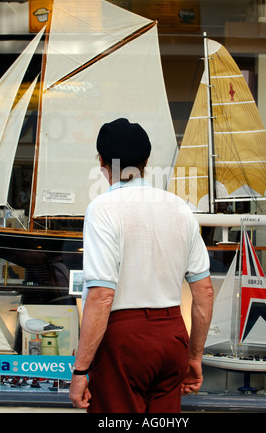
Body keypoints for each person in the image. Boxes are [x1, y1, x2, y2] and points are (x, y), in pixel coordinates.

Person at [69, 118, 213, 413]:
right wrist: (194, 357)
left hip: (124, 342)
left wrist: (80, 371)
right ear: (146, 161)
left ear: (102, 162)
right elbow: (205, 292)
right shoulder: (180, 208)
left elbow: (101, 295)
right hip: (172, 336)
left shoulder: (103, 209)